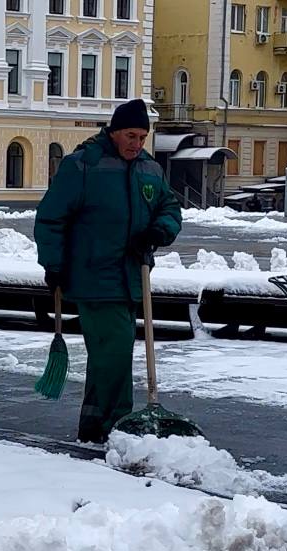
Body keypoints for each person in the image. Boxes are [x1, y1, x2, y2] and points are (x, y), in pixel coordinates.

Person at [34, 99, 183, 444]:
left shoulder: (149, 169)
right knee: (114, 353)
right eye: (131, 135)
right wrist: (53, 264)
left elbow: (169, 206)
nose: (137, 143)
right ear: (114, 131)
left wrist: (160, 230)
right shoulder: (84, 165)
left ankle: (96, 426)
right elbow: (51, 217)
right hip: (93, 277)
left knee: (109, 357)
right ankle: (121, 426)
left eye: (143, 137)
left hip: (132, 278)